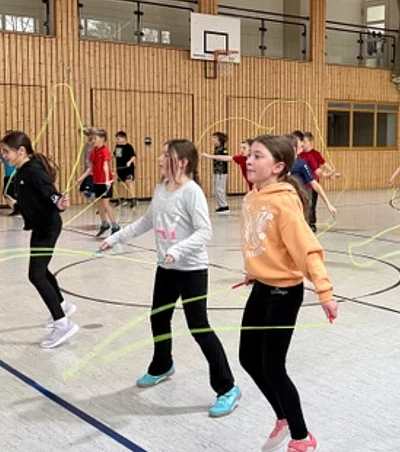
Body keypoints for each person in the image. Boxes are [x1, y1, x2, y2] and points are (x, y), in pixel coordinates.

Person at [101, 139, 241, 416]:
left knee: (198, 327)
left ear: (183, 161)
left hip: (191, 270)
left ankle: (227, 387)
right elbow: (148, 220)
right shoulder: (161, 188)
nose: (160, 159)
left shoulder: (192, 192)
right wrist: (116, 238)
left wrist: (177, 251)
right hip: (166, 269)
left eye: (167, 154)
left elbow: (204, 231)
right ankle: (162, 365)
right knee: (159, 317)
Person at [240, 134, 338, 452]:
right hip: (262, 286)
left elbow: (306, 249)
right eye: (250, 154)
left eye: (258, 156)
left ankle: (301, 437)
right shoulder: (251, 198)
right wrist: (255, 269)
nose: (249, 160)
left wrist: (324, 291)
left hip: (284, 293)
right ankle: (282, 417)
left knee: (273, 366)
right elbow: (261, 240)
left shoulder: (284, 201)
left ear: (278, 167)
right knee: (248, 358)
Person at [0, 131, 78, 348]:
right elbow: (32, 201)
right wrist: (16, 205)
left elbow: (50, 192)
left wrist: (59, 202)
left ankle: (63, 324)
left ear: (21, 151)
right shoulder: (22, 171)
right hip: (40, 227)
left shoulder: (33, 170)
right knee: (41, 271)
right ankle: (63, 306)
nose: (3, 155)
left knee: (36, 275)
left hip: (47, 228)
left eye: (6, 151)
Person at [113, 131, 137, 208]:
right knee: (121, 184)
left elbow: (133, 156)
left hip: (128, 168)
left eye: (118, 139)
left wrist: (129, 162)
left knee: (129, 182)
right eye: (117, 139)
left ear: (124, 138)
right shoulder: (117, 146)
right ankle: (122, 200)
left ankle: (134, 199)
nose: (117, 140)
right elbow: (116, 155)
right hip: (120, 168)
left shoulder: (129, 147)